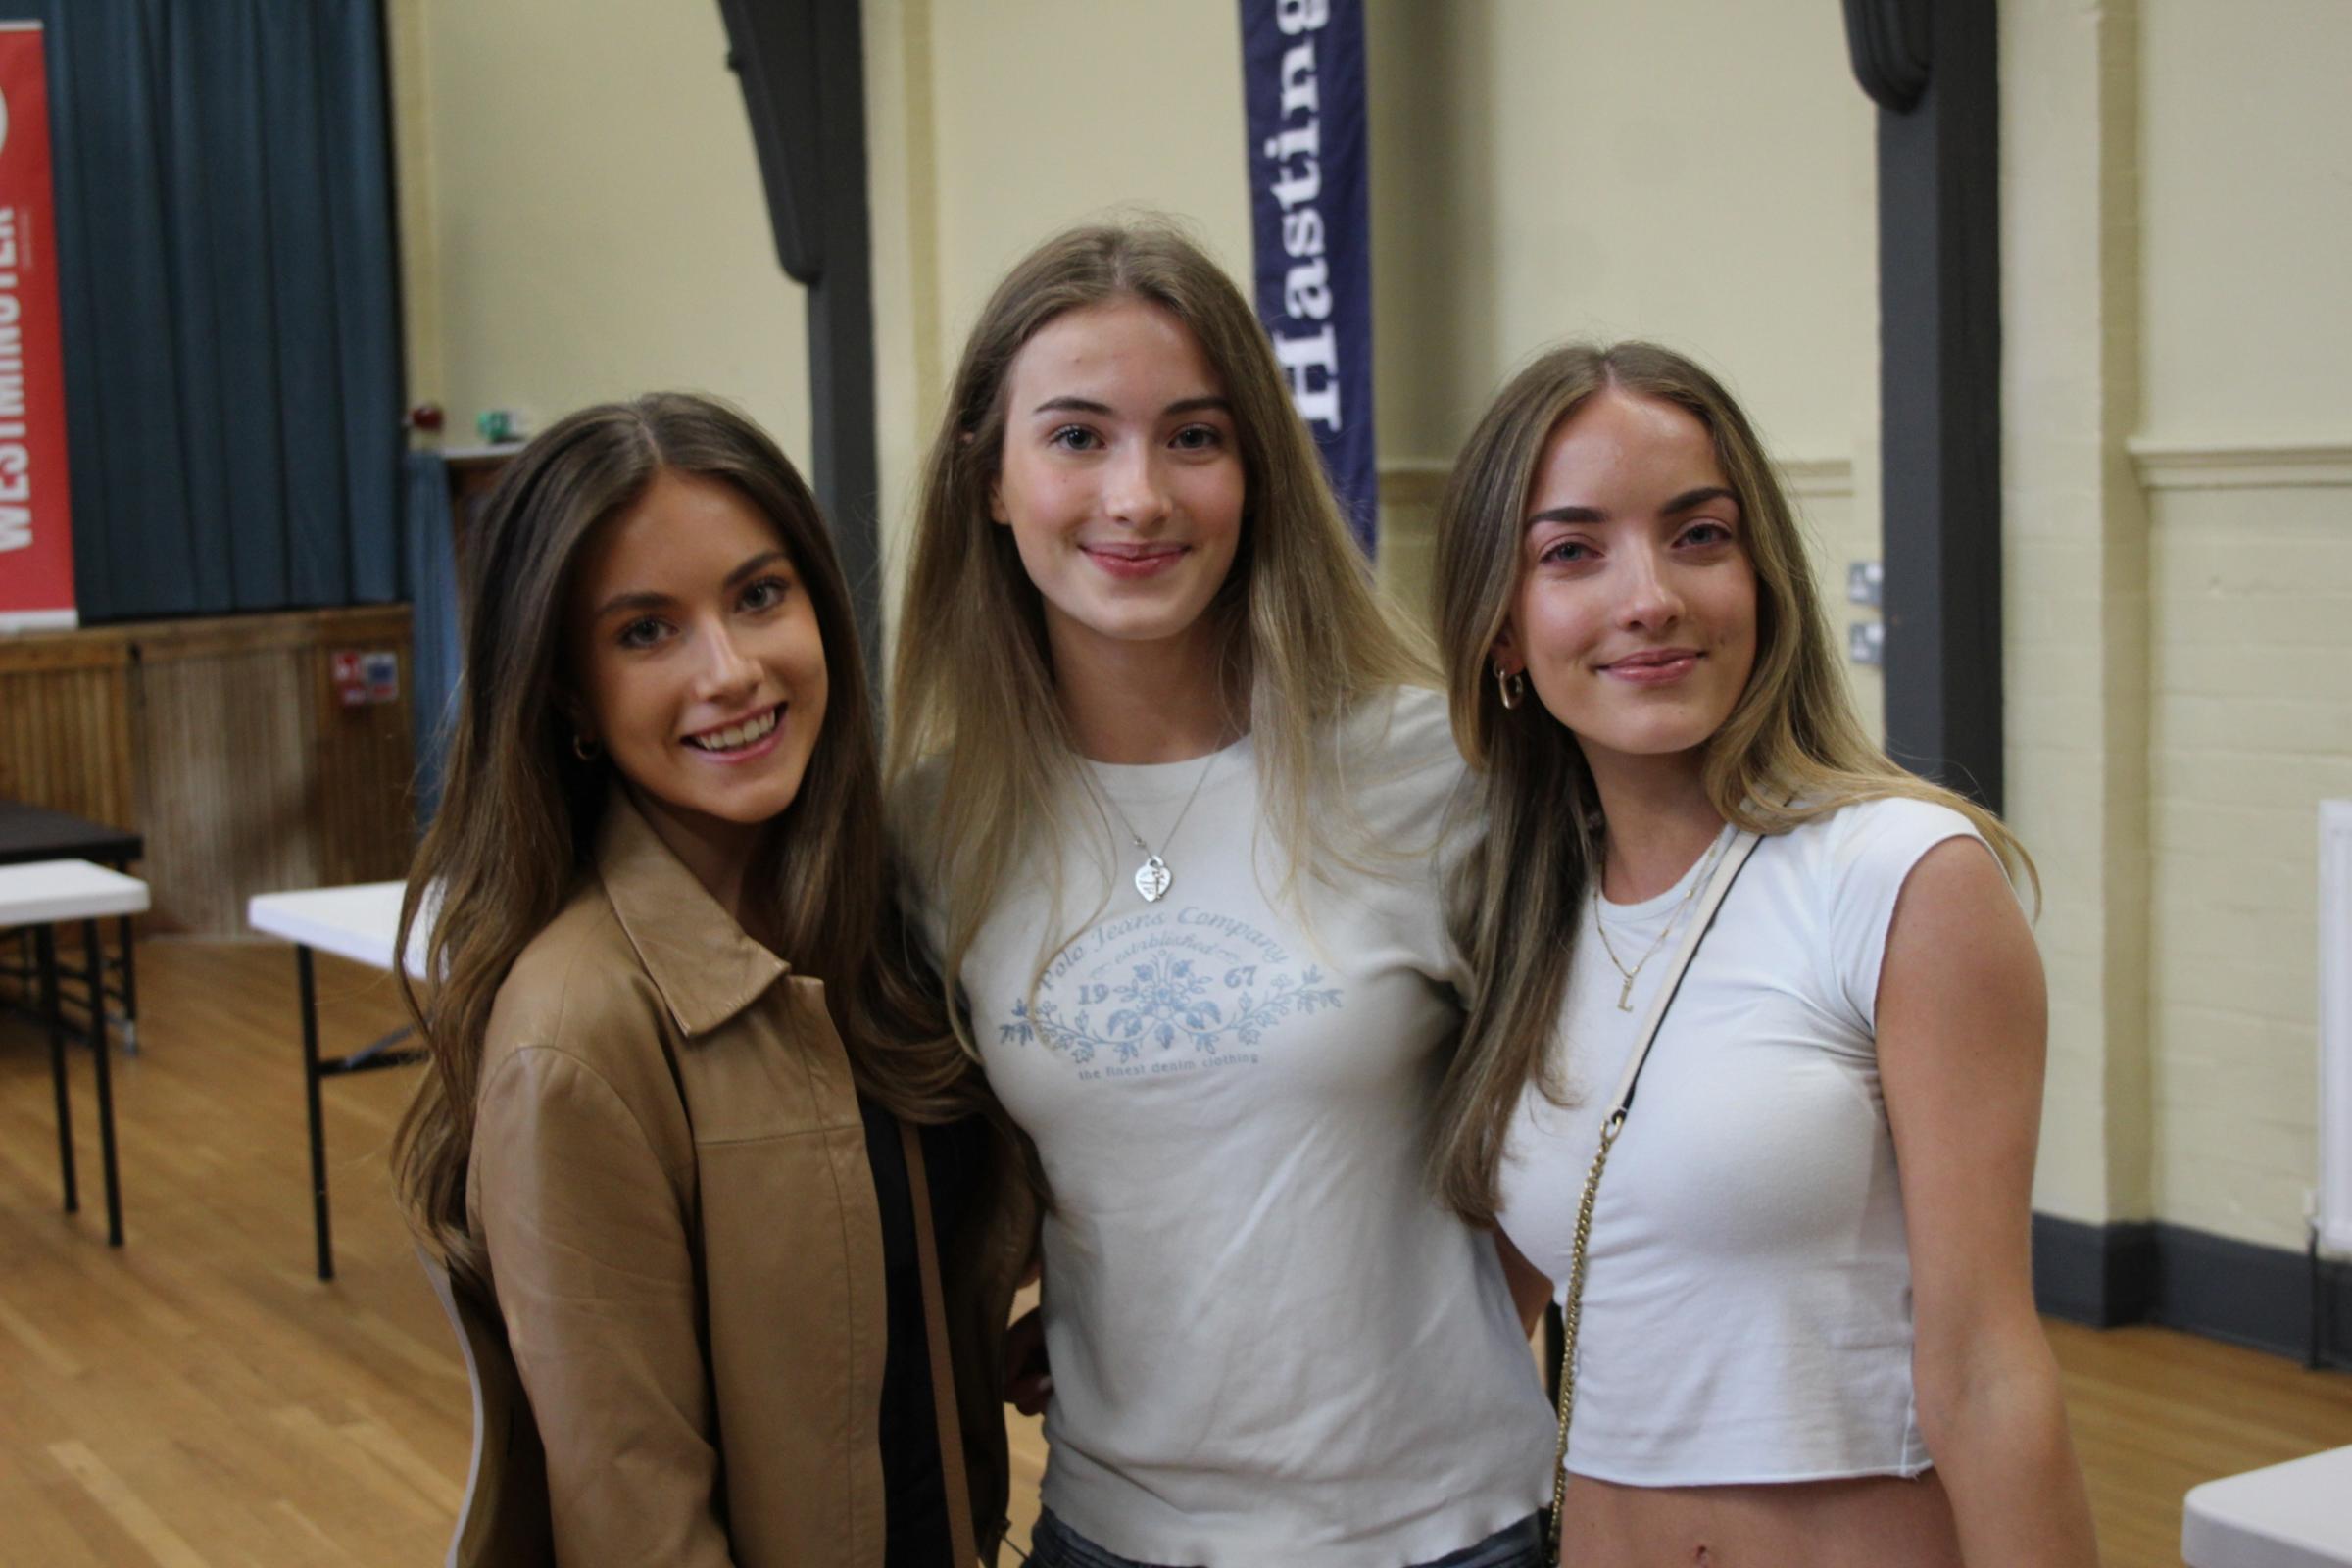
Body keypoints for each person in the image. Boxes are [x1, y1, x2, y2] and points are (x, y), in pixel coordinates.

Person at [888, 222, 1557, 1568]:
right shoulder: (933, 830)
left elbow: (1567, 1127)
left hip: (1449, 1530)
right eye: (1077, 438)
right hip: (1114, 1529)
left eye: (1193, 437)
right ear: (992, 479)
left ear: (1255, 472)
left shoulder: (1435, 773)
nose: (1139, 497)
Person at [1428, 341, 2099, 1567]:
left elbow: (1989, 1369)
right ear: (1504, 631)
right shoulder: (1522, 913)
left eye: (1698, 536)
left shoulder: (1900, 877)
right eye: (1573, 551)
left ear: (1763, 575)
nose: (1651, 597)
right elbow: (1488, 1306)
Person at [390, 393, 1035, 1568]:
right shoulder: (575, 1033)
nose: (730, 670)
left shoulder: (881, 925)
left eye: (757, 596)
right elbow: (635, 1512)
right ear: (569, 696)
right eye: (647, 631)